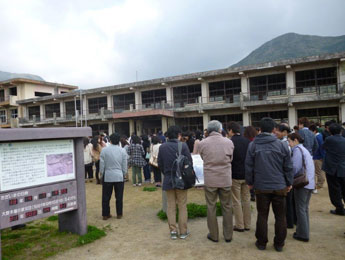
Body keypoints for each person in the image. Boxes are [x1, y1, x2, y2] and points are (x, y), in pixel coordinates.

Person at [245, 117, 293, 252]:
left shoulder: (253, 145)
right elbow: (288, 166)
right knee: (280, 216)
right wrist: (289, 182)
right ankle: (279, 244)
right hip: (279, 185)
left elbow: (248, 166)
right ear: (274, 129)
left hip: (261, 186)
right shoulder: (282, 145)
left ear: (259, 129)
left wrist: (249, 182)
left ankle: (261, 242)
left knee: (262, 215)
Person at [199, 120, 234, 243]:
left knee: (211, 206)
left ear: (208, 131)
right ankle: (228, 235)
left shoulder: (202, 143)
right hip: (225, 178)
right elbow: (231, 159)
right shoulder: (229, 142)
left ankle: (214, 235)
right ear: (220, 130)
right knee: (227, 206)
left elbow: (203, 158)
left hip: (210, 179)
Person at [158, 126, 192, 240]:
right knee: (182, 206)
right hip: (181, 180)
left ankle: (173, 231)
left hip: (168, 179)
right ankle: (183, 231)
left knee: (171, 206)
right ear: (179, 135)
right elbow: (189, 163)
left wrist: (167, 173)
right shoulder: (183, 145)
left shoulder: (162, 147)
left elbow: (160, 164)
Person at [287, 133, 315, 242]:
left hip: (302, 184)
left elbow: (295, 167)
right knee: (304, 208)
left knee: (300, 209)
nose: (289, 144)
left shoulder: (297, 150)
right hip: (309, 183)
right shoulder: (304, 150)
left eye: (289, 141)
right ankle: (303, 231)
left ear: (295, 140)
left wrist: (288, 177)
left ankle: (302, 234)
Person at [227, 121, 251, 232]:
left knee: (236, 200)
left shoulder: (230, 142)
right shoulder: (247, 141)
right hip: (246, 174)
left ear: (231, 131)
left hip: (235, 174)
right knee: (246, 199)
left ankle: (239, 225)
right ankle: (247, 224)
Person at [100, 133, 128, 220]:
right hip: (119, 175)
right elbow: (124, 164)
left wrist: (102, 173)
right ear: (119, 140)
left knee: (106, 196)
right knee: (119, 196)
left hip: (108, 175)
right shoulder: (122, 150)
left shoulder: (104, 150)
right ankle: (119, 214)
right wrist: (124, 173)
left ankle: (105, 214)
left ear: (110, 140)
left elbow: (102, 164)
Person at [322, 123, 345, 216]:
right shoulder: (344, 140)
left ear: (329, 131)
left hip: (332, 169)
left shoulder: (329, 139)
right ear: (341, 131)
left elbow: (324, 147)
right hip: (343, 168)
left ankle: (339, 208)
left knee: (334, 190)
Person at [309, 124, 326, 193]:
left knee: (318, 171)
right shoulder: (320, 136)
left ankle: (319, 184)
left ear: (314, 131)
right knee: (320, 171)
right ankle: (320, 183)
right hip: (320, 156)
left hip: (318, 156)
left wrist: (322, 156)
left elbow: (321, 148)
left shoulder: (317, 137)